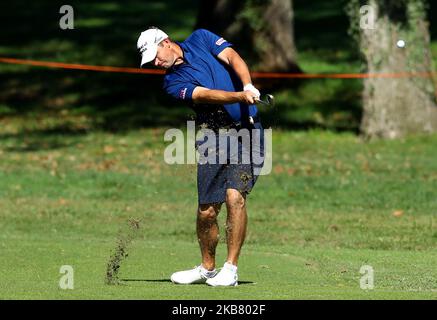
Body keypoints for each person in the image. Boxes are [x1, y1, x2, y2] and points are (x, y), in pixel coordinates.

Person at [137, 27, 265, 287]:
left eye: (156, 56)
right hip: (212, 137)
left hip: (247, 132)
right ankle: (207, 269)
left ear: (166, 42)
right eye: (151, 62)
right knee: (207, 211)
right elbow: (204, 95)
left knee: (234, 197)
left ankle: (230, 269)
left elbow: (232, 57)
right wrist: (240, 95)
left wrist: (248, 84)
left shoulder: (201, 38)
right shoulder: (171, 82)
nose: (156, 63)